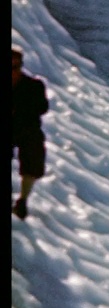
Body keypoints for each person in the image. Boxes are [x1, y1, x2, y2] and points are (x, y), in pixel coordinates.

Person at [12, 48, 49, 220]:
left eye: (15, 67)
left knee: (32, 162)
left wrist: (21, 110)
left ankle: (23, 200)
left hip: (28, 129)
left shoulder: (34, 86)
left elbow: (42, 108)